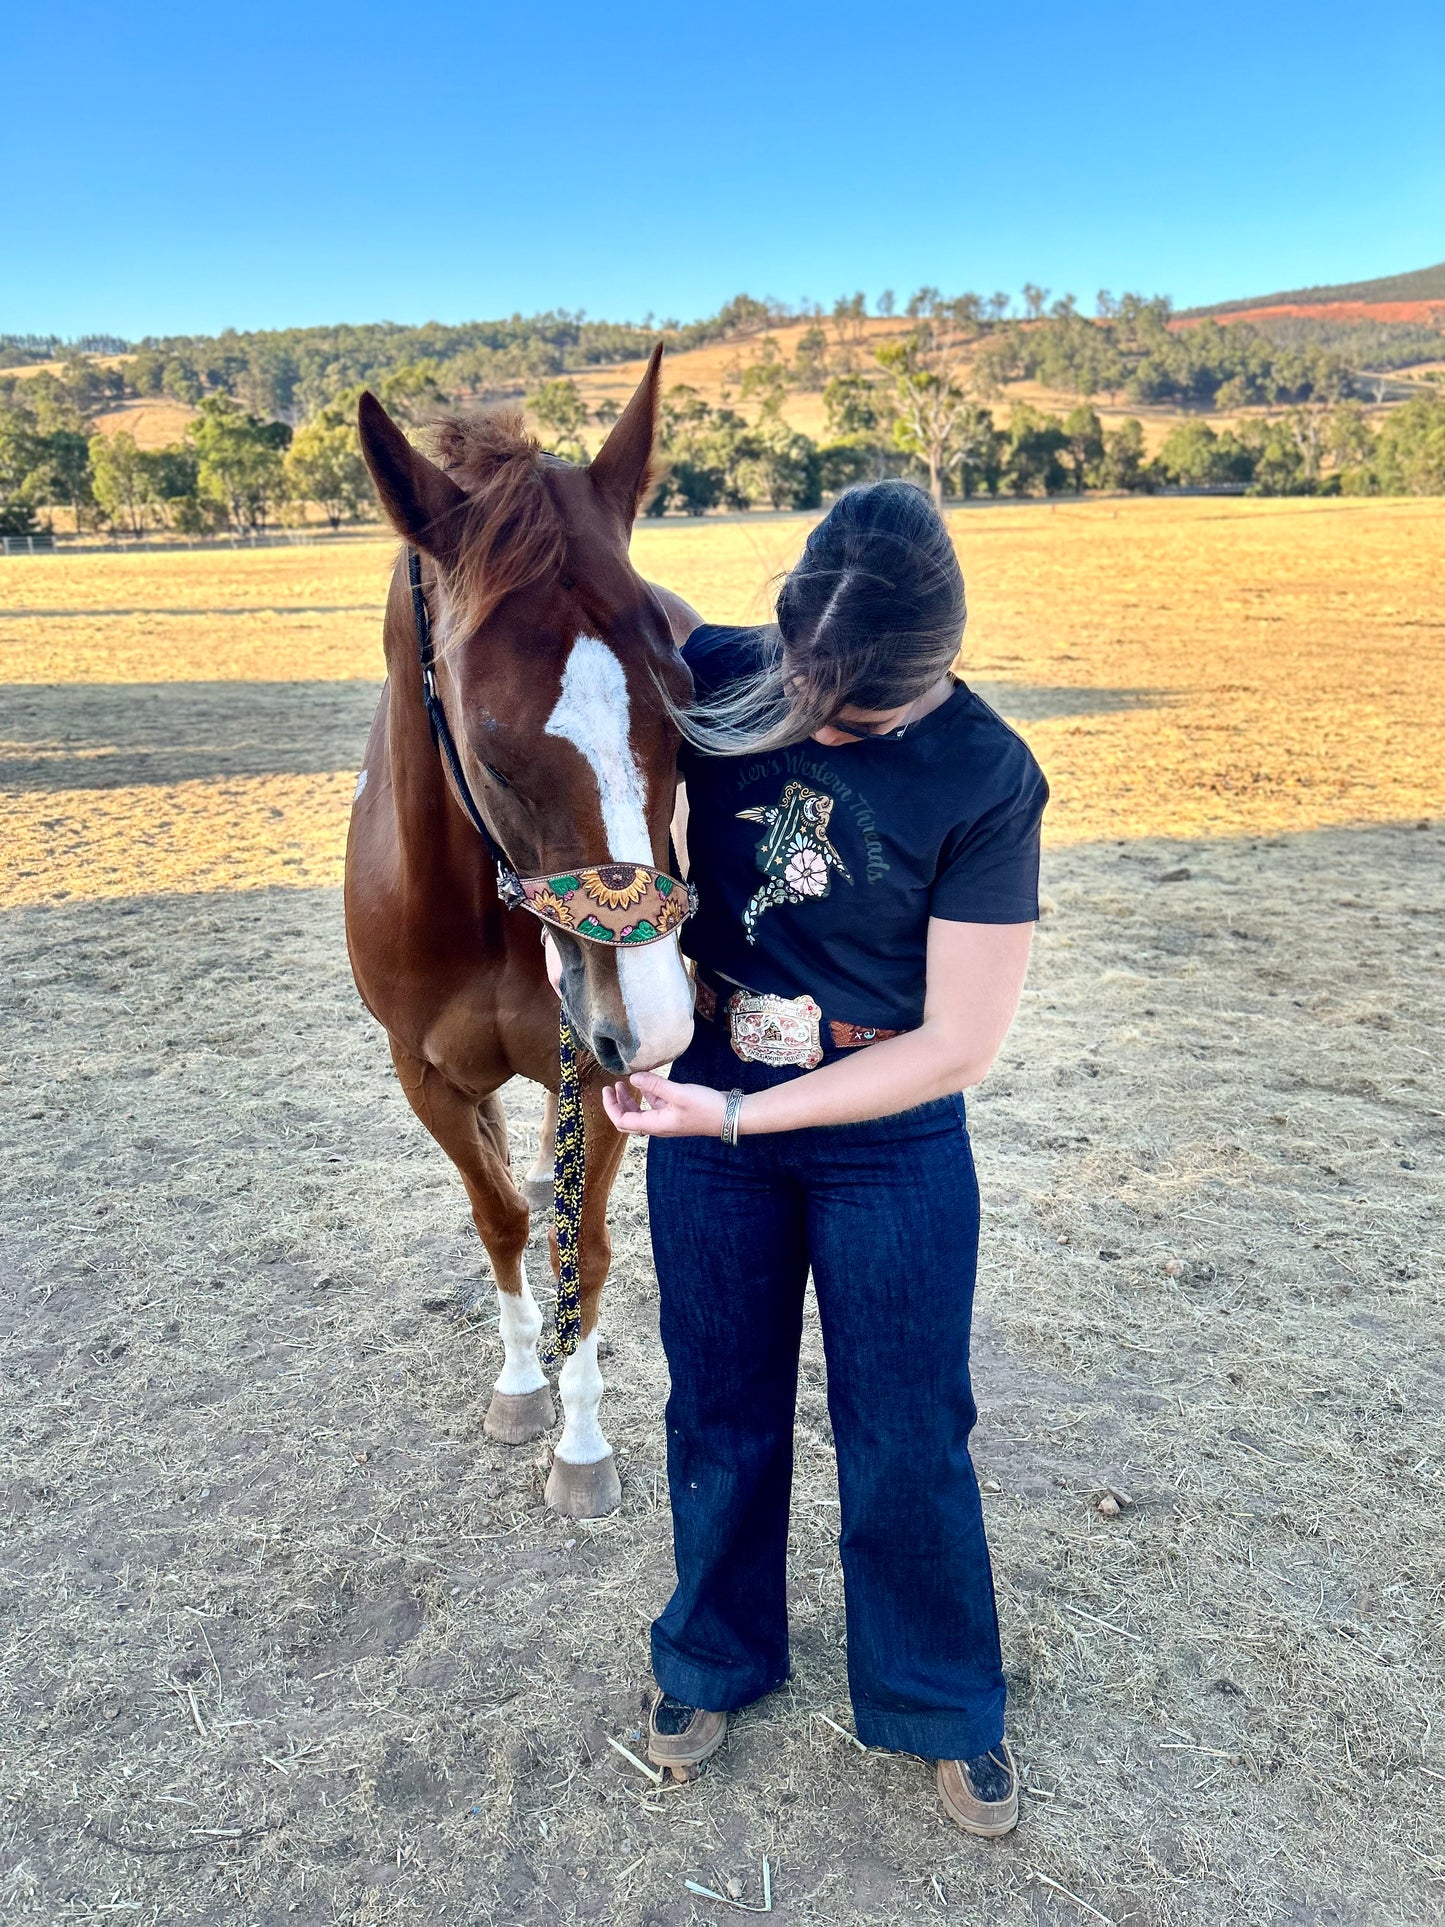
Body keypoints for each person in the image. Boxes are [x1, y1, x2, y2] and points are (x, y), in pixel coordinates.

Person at [602, 480, 1048, 1837]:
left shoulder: (985, 775)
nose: (822, 725)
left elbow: (958, 1042)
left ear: (941, 664)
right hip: (708, 1098)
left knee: (908, 1425)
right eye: (808, 695)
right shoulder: (719, 670)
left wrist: (736, 1120)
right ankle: (712, 1656)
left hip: (883, 1133)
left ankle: (935, 1694)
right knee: (717, 1405)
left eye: (859, 719)